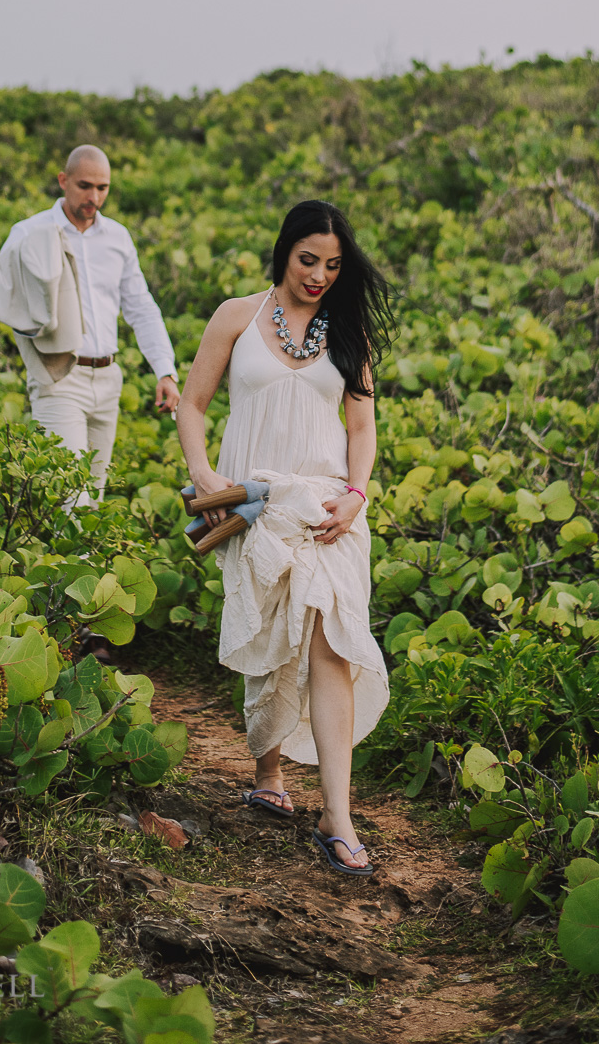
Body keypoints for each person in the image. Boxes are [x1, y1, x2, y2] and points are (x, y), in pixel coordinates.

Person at [175, 199, 392, 875]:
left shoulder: (347, 328)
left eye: (332, 265)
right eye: (308, 260)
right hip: (253, 504)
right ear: (283, 252)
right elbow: (193, 404)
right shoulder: (236, 316)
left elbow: (362, 428)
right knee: (272, 642)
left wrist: (356, 497)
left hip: (327, 508)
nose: (319, 275)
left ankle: (337, 814)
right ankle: (269, 773)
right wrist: (205, 473)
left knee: (330, 643)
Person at [0, 145, 179, 497]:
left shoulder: (118, 238)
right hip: (58, 376)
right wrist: (3, 295)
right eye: (84, 186)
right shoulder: (29, 232)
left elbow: (141, 307)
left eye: (103, 188)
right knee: (70, 500)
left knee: (92, 496)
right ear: (63, 181)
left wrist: (165, 371)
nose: (93, 197)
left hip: (109, 380)